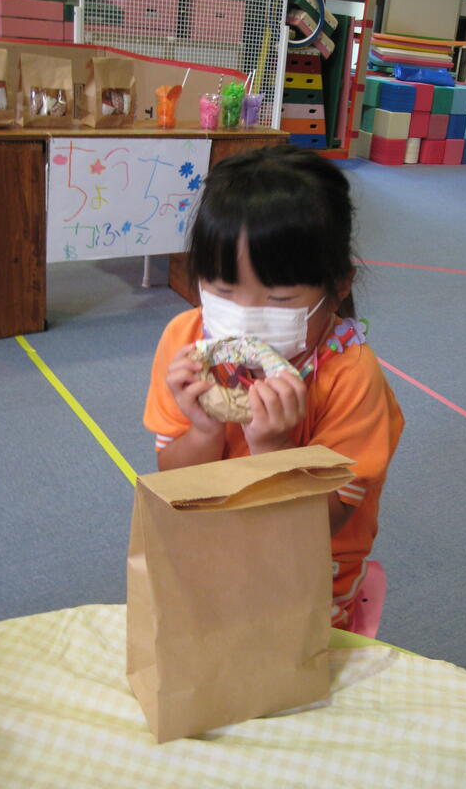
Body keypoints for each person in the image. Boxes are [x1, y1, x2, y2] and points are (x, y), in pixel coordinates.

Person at [144, 145, 404, 629]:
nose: (243, 316)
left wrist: (276, 449)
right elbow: (174, 480)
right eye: (223, 291)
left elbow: (330, 519)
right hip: (215, 545)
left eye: (279, 297)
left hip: (309, 567)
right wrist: (204, 431)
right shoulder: (185, 341)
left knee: (289, 654)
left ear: (338, 287)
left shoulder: (351, 376)